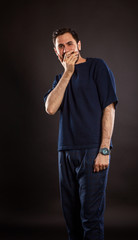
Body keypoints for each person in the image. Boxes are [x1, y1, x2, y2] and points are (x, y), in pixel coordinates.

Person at [44, 28, 118, 240]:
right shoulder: (60, 79)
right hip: (65, 153)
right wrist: (67, 73)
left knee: (90, 219)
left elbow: (109, 108)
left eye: (69, 44)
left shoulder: (97, 67)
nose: (65, 49)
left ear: (79, 45)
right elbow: (50, 107)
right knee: (72, 221)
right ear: (55, 51)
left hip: (92, 151)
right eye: (60, 46)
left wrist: (105, 148)